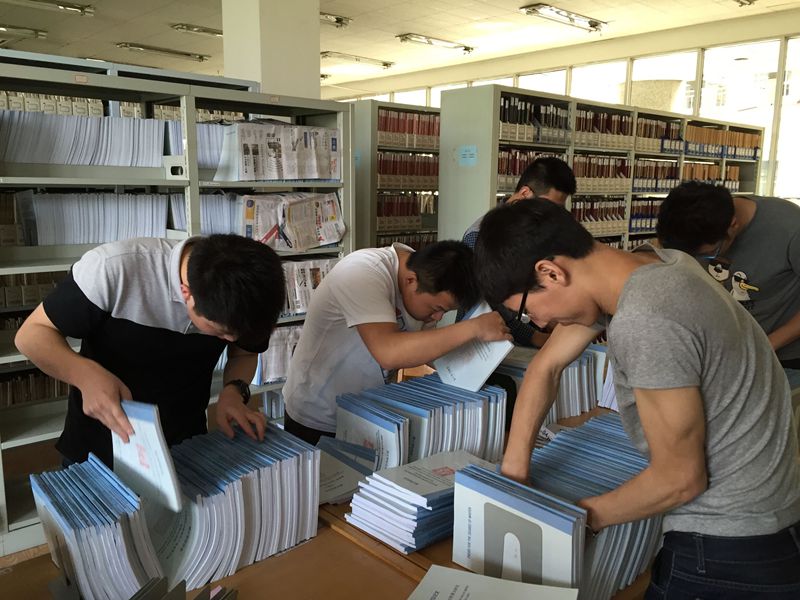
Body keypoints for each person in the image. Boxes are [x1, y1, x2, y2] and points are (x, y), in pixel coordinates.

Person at [474, 199, 800, 598]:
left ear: (551, 272)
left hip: (728, 547)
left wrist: (573, 521)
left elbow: (681, 479)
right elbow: (547, 366)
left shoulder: (647, 317)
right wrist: (514, 472)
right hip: (768, 521)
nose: (538, 324)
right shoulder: (652, 265)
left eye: (526, 311)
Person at [14, 234, 285, 467]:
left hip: (185, 445)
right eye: (221, 332)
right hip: (101, 443)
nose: (230, 339)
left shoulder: (248, 293)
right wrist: (85, 376)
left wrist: (234, 392)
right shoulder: (114, 268)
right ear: (187, 294)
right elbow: (31, 335)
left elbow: (245, 353)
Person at [282, 240, 511, 445]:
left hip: (366, 411)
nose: (437, 317)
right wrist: (474, 328)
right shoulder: (362, 272)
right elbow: (388, 353)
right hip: (317, 415)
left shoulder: (424, 276)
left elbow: (428, 350)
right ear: (411, 280)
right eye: (437, 308)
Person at [657, 181, 800, 368]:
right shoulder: (686, 226)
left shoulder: (790, 227)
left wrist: (764, 346)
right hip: (723, 352)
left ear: (733, 225)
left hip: (783, 359)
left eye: (709, 254)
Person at [460, 156, 576, 348]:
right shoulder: (480, 236)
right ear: (524, 193)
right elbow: (484, 305)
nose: (551, 216)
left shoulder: (535, 232)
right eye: (548, 207)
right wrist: (534, 337)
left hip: (521, 337)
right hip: (483, 347)